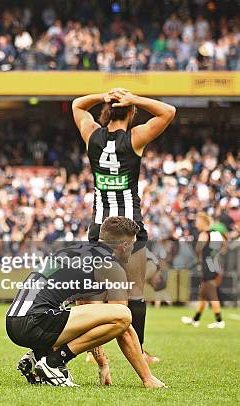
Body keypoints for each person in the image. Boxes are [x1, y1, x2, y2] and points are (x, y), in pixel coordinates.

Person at [71, 88, 175, 359]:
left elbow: (77, 105)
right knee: (134, 291)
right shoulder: (135, 138)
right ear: (130, 112)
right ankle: (138, 351)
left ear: (105, 112)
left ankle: (91, 348)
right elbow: (169, 112)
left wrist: (101, 95)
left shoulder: (92, 135)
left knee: (94, 291)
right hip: (129, 227)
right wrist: (135, 98)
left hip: (99, 226)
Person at [6, 216, 166, 388]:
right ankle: (53, 362)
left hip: (15, 322)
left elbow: (85, 313)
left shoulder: (77, 250)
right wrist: (147, 377)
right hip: (36, 321)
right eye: (133, 244)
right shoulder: (110, 266)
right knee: (123, 314)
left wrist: (102, 363)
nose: (134, 249)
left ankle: (39, 355)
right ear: (124, 245)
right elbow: (123, 326)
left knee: (98, 313)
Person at [182, 213, 227, 329]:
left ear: (203, 222)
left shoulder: (204, 234)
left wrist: (198, 259)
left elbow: (198, 250)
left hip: (207, 267)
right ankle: (195, 319)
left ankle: (219, 321)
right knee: (202, 294)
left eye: (198, 221)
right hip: (214, 265)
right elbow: (224, 247)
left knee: (212, 294)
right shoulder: (216, 233)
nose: (196, 224)